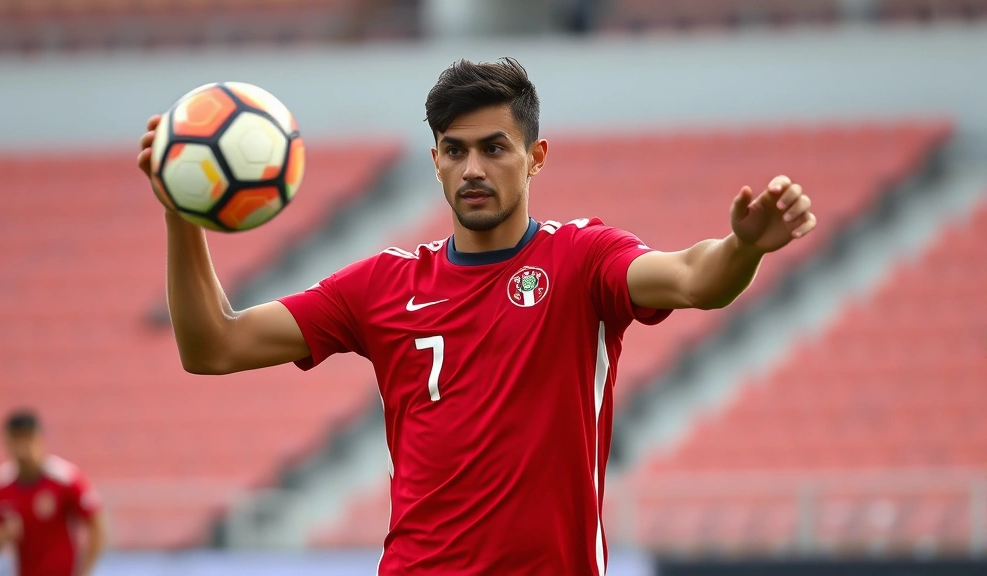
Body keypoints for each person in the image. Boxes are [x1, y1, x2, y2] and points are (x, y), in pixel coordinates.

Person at [135, 58, 816, 575]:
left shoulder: (581, 259)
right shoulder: (381, 285)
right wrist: (180, 210)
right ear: (435, 160)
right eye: (455, 150)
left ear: (535, 157)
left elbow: (695, 279)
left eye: (494, 147)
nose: (472, 169)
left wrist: (744, 248)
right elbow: (213, 345)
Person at [0, 410, 105, 576]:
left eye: (27, 439)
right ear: (6, 443)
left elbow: (97, 524)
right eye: (16, 441)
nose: (22, 449)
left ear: (40, 439)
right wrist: (1, 536)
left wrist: (84, 571)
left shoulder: (65, 478)